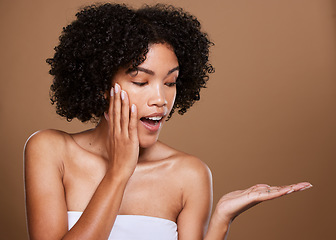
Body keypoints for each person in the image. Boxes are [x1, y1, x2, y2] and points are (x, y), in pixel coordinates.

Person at [24, 3, 312, 240]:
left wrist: (221, 219)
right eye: (140, 82)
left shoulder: (190, 174)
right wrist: (118, 173)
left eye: (171, 82)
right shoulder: (50, 150)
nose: (160, 99)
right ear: (102, 84)